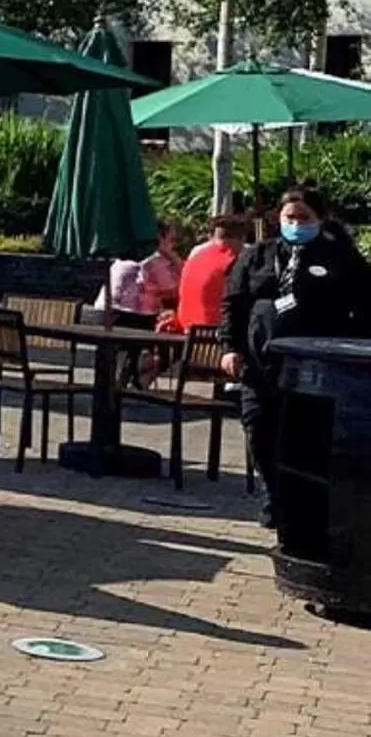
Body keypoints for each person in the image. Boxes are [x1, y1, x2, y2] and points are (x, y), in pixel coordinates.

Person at [221, 186, 371, 524]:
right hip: (262, 365)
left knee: (304, 438)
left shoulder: (340, 258)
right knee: (259, 428)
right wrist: (230, 347)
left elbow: (364, 308)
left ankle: (300, 506)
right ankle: (274, 495)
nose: (297, 224)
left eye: (305, 218)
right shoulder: (258, 256)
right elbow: (234, 303)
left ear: (320, 219)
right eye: (290, 218)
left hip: (315, 370)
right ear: (279, 218)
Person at [96, 220, 184, 325]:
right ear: (160, 239)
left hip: (101, 312)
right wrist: (175, 259)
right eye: (172, 240)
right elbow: (176, 288)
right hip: (127, 318)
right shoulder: (154, 260)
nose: (174, 245)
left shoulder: (125, 255)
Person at [175, 215, 248, 333]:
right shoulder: (238, 259)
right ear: (242, 238)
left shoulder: (196, 255)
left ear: (211, 236)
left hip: (187, 330)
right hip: (216, 336)